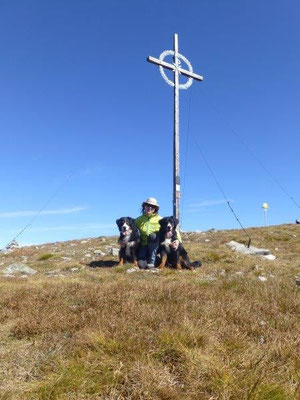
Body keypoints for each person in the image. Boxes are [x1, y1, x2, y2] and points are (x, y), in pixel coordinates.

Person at [135, 197, 180, 269]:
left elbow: (174, 230)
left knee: (153, 235)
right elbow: (130, 230)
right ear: (144, 206)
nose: (150, 207)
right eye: (148, 205)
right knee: (142, 265)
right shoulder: (138, 220)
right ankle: (157, 260)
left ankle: (152, 261)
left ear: (155, 208)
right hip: (144, 245)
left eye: (152, 206)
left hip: (157, 245)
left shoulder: (161, 219)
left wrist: (177, 240)